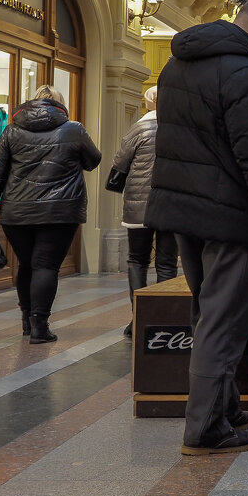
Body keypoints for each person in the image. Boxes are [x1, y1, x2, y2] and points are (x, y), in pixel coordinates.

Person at [146, 0, 248, 455]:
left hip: (185, 213)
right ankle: (206, 428)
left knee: (208, 312)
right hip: (230, 217)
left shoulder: (177, 65)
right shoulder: (247, 73)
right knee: (224, 319)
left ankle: (225, 406)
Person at [0, 85, 101, 344]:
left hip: (18, 211)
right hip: (60, 211)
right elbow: (94, 161)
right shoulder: (73, 129)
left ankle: (26, 320)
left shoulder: (12, 130)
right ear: (60, 105)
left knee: (26, 265)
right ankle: (40, 326)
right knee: (46, 266)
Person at [111, 85, 177, 337]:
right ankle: (165, 317)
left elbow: (120, 162)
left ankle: (138, 316)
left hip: (138, 207)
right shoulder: (178, 129)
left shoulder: (138, 128)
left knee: (137, 260)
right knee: (167, 263)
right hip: (170, 205)